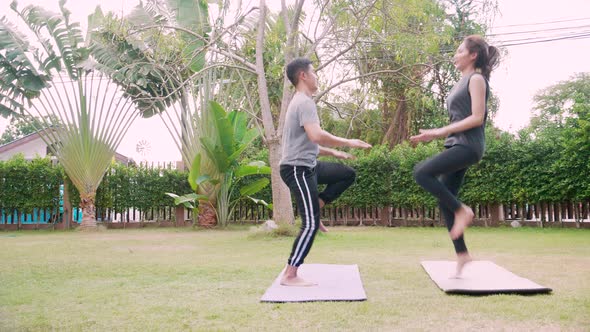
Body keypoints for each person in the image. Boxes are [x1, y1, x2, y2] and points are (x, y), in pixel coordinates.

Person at [410, 35, 499, 277]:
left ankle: (463, 210)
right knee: (444, 198)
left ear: (473, 55)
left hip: (468, 145)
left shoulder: (477, 79)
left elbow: (477, 117)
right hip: (455, 145)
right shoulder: (460, 82)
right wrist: (436, 135)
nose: (455, 55)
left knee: (421, 172)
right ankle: (462, 255)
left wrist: (440, 131)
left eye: (460, 51)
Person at [279, 57, 372, 286]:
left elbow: (309, 143)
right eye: (314, 72)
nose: (317, 76)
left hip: (308, 166)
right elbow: (316, 135)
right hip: (297, 169)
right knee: (310, 225)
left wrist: (335, 154)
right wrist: (348, 142)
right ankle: (290, 275)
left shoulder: (303, 102)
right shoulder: (303, 102)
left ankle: (316, 206)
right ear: (303, 76)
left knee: (346, 174)